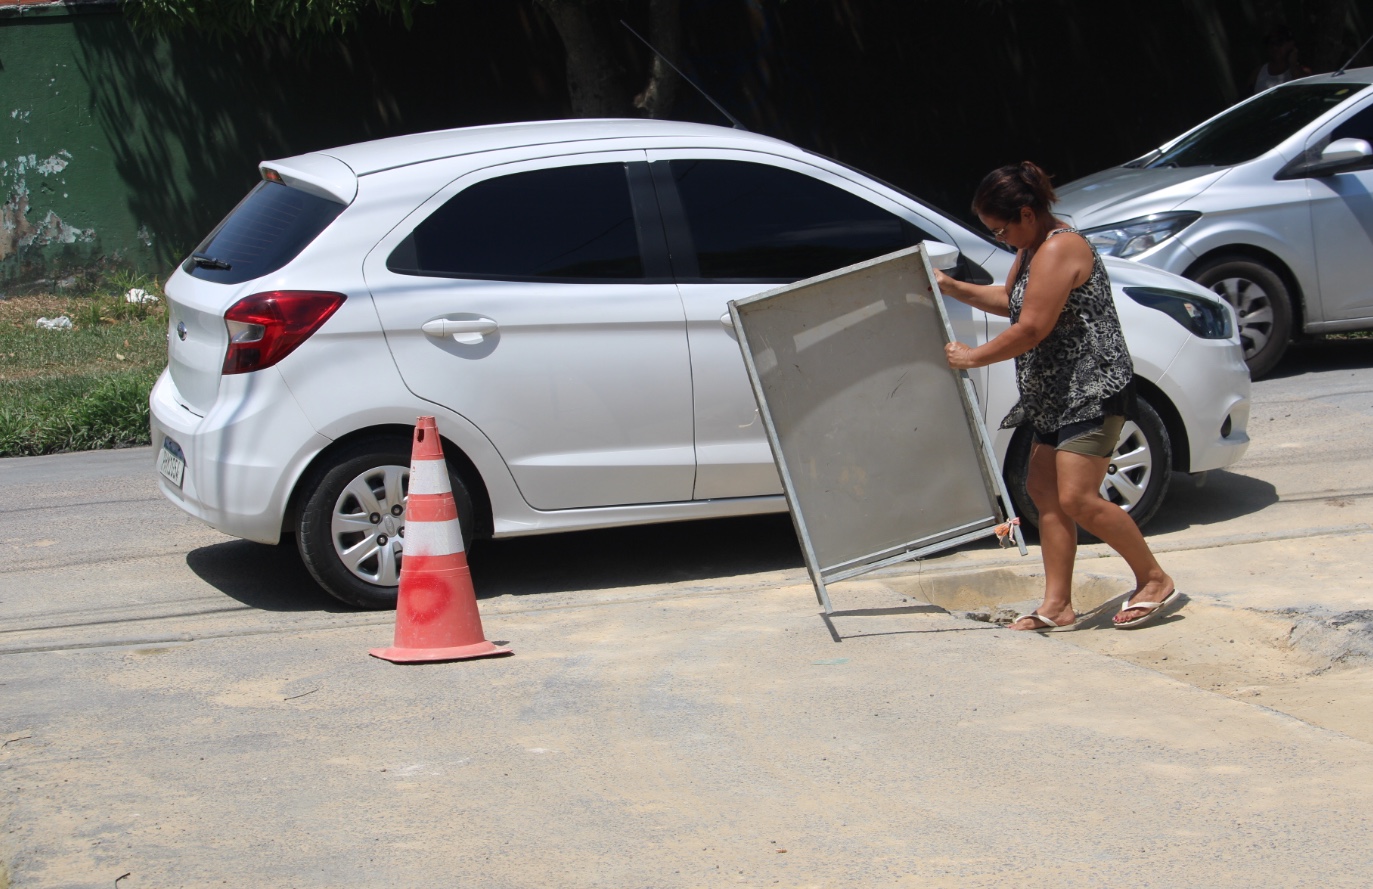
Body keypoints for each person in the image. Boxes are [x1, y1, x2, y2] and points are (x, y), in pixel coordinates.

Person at [935, 162, 1179, 631]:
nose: (1000, 238)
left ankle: (1153, 579)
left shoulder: (1060, 247)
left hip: (1092, 389)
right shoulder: (1030, 247)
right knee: (1043, 491)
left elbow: (1031, 327)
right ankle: (1058, 605)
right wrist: (950, 287)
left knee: (1078, 497)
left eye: (1001, 229)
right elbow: (1013, 302)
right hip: (1054, 393)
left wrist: (972, 357)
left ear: (1027, 213)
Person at [1253, 25, 1309, 93]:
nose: (1275, 48)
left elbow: (1305, 90)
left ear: (1290, 44)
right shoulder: (1258, 73)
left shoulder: (1302, 71)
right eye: (1271, 43)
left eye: (1279, 42)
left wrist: (1293, 65)